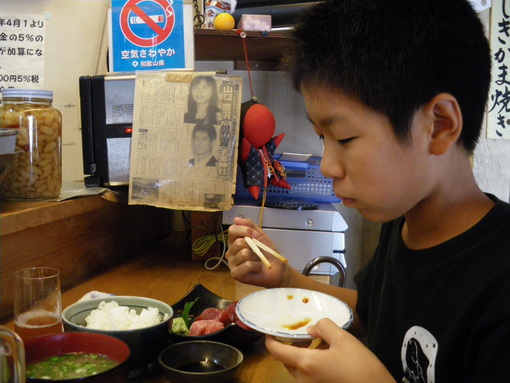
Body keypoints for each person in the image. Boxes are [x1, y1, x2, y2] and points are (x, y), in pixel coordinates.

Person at [225, 0, 510, 382]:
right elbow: (368, 315)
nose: (327, 165)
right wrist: (286, 279)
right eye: (323, 137)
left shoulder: (499, 284)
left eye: (344, 136)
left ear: (439, 125)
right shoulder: (404, 221)